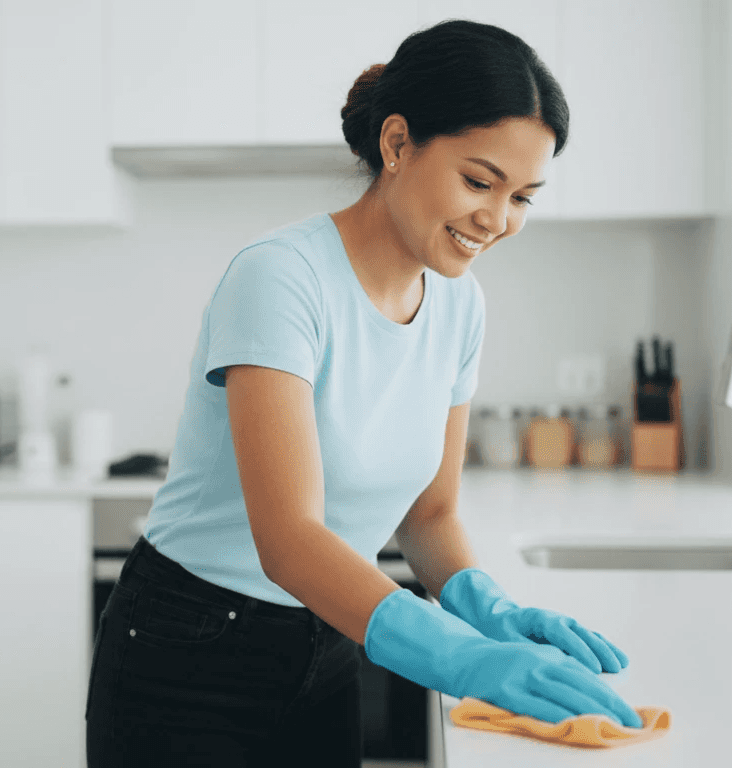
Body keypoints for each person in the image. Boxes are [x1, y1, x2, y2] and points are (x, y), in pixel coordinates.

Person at [85, 19, 641, 767]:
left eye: (522, 197)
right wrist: (463, 659)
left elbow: (429, 511)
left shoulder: (459, 303)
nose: (497, 220)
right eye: (478, 181)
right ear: (397, 143)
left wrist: (491, 611)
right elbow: (289, 541)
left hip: (334, 633)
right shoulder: (282, 277)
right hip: (188, 652)